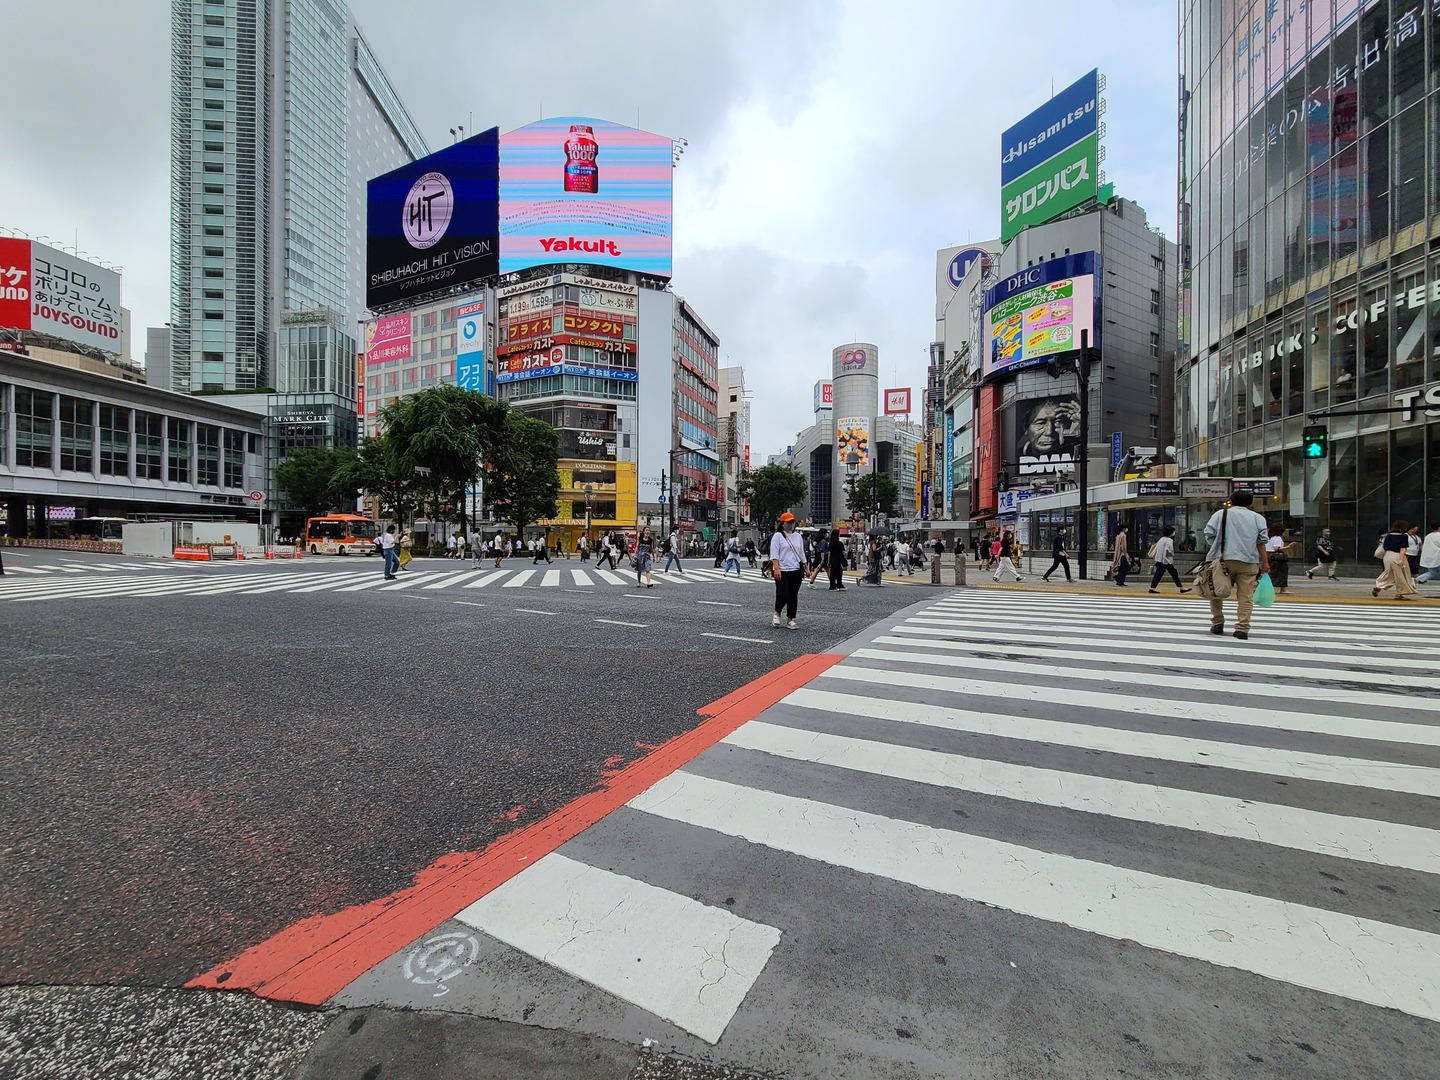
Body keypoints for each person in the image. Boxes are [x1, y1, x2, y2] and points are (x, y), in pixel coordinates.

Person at [1202, 488, 1270, 639]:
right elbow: (1261, 541)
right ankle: (1242, 628)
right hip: (1248, 560)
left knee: (1216, 590)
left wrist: (1217, 546)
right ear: (1250, 503)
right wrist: (1265, 562)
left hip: (1222, 559)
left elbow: (1208, 533)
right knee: (1246, 596)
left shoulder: (1220, 514)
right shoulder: (1257, 518)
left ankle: (1217, 622)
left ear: (1231, 501)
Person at [770, 512, 809, 629]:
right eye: (788, 522)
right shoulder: (778, 536)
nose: (791, 524)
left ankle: (791, 619)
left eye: (792, 522)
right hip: (783, 569)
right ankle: (777, 612)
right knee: (783, 594)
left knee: (793, 595)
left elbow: (801, 553)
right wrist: (776, 569)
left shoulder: (798, 536)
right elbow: (774, 554)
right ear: (782, 523)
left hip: (796, 570)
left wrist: (806, 568)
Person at [1373, 520, 1421, 600]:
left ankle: (1379, 585)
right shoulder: (1404, 536)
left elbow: (1384, 547)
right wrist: (1401, 560)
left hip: (1387, 555)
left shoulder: (1388, 536)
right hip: (1397, 555)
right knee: (1402, 575)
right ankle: (1400, 594)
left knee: (1389, 573)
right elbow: (1403, 549)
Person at [1148, 525, 1192, 594]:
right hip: (1166, 560)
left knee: (1159, 573)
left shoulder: (1161, 539)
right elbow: (1169, 550)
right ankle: (1181, 588)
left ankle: (1152, 588)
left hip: (1159, 559)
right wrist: (1172, 554)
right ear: (1171, 533)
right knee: (1173, 573)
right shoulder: (1169, 540)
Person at [1265, 527, 1294, 593]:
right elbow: (1276, 548)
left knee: (1270, 572)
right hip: (1277, 557)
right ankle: (1282, 589)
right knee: (1282, 572)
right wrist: (1288, 547)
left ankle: (1268, 587)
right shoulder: (1278, 538)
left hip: (1269, 555)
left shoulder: (1269, 538)